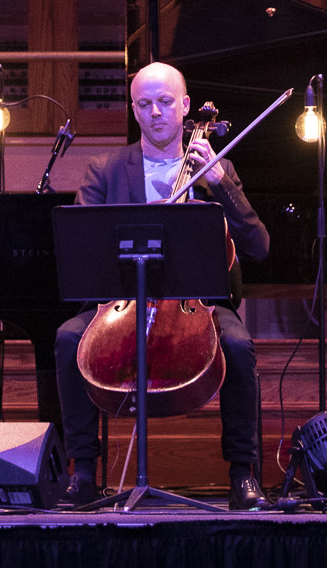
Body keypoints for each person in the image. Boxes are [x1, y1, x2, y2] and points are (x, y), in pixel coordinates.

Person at [51, 61, 271, 511]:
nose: (155, 113)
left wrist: (220, 184)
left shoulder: (218, 168)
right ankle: (83, 473)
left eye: (166, 103)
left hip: (198, 303)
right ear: (134, 110)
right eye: (145, 104)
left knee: (239, 346)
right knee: (68, 337)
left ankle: (243, 473)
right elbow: (80, 248)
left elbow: (258, 246)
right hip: (120, 302)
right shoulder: (105, 169)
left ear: (186, 106)